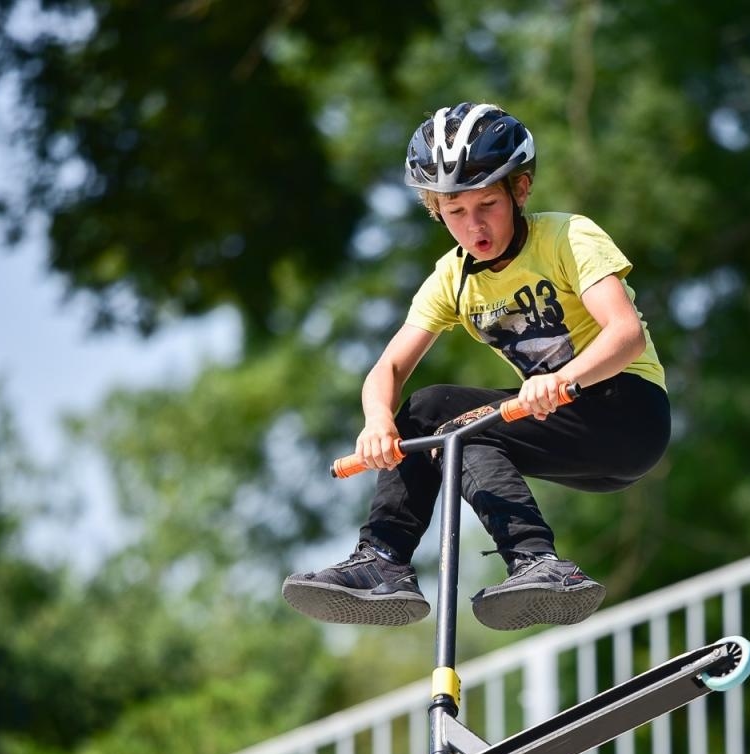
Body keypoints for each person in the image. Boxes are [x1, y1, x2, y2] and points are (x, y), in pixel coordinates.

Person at [282, 101, 670, 631]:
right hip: (558, 426)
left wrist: (561, 379)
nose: (473, 226)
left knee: (459, 425)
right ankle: (383, 561)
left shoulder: (567, 237)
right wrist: (377, 422)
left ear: (520, 190)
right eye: (454, 212)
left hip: (627, 412)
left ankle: (539, 563)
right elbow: (387, 370)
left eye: (486, 204)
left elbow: (624, 334)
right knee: (429, 411)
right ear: (435, 210)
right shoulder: (453, 278)